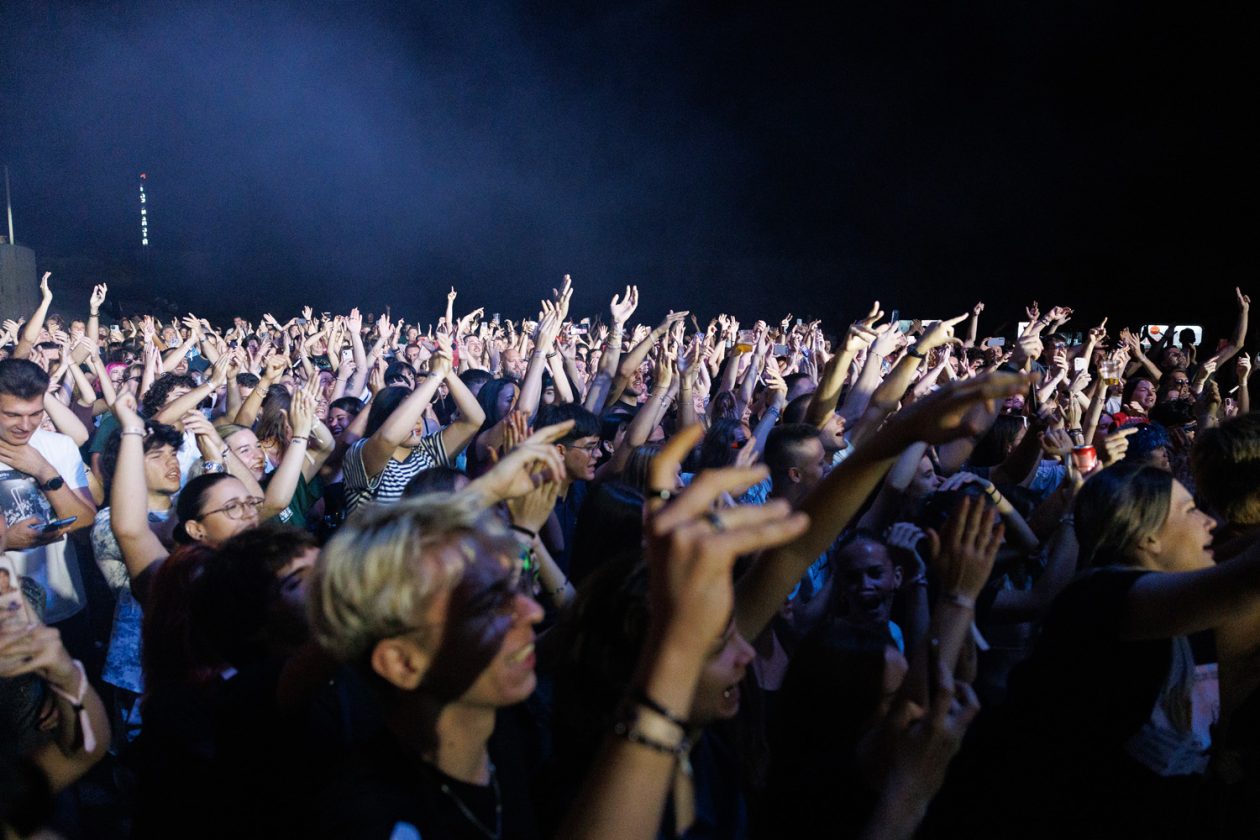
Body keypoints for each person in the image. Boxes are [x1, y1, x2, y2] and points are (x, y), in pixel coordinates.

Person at [0, 359, 96, 643]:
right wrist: (7, 540)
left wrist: (45, 471)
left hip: (64, 604)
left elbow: (85, 526)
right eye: (12, 415)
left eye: (35, 413)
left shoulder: (59, 446)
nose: (26, 425)